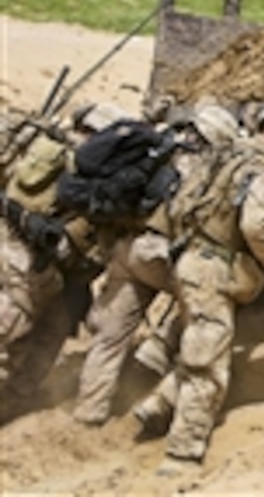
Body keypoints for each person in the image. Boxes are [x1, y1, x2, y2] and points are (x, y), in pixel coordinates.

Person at [133, 99, 264, 475]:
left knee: (202, 344)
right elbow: (255, 227)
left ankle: (159, 405)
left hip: (186, 262)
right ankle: (181, 455)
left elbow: (180, 203)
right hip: (214, 269)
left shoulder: (222, 154)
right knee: (209, 367)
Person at [72, 105, 241, 426]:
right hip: (158, 253)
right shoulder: (197, 166)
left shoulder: (157, 151)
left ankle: (88, 413)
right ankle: (159, 356)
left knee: (110, 338)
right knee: (209, 303)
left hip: (125, 249)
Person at [0, 103, 130, 417]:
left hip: (13, 251)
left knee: (42, 332)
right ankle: (12, 403)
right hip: (32, 269)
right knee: (12, 344)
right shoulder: (91, 176)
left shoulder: (40, 150)